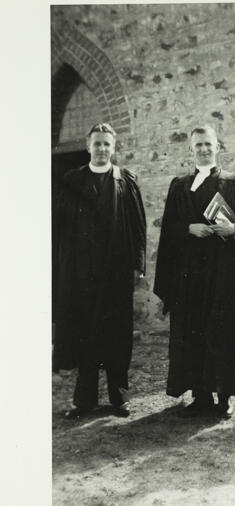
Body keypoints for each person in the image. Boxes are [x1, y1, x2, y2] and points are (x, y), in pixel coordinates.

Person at [154, 125, 235, 418]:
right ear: (190, 150)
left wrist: (234, 228)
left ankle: (225, 396)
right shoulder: (179, 186)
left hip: (224, 274)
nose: (204, 149)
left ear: (218, 146)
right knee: (193, 332)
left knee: (223, 332)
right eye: (198, 146)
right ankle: (201, 396)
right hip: (189, 275)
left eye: (208, 144)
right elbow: (168, 229)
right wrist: (187, 228)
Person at [53, 123, 146, 419]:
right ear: (88, 145)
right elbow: (60, 229)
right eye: (97, 144)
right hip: (82, 273)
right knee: (85, 334)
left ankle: (119, 397)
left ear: (114, 147)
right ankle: (84, 400)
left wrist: (138, 265)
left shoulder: (125, 180)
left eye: (107, 144)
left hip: (116, 274)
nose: (102, 149)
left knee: (117, 335)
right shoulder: (72, 180)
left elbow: (138, 226)